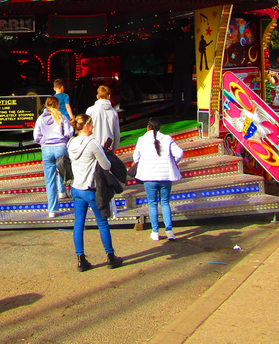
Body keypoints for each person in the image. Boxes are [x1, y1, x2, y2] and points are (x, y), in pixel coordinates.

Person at [67, 114, 122, 271]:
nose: (93, 127)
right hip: (91, 189)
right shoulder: (92, 144)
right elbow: (106, 165)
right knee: (102, 223)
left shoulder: (71, 143)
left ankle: (80, 259)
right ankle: (110, 257)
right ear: (86, 126)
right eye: (91, 124)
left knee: (78, 223)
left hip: (76, 188)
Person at [133, 117, 184, 241]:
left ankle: (155, 232)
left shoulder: (141, 140)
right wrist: (173, 162)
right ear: (160, 127)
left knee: (152, 204)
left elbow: (136, 158)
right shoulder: (167, 139)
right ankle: (169, 231)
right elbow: (179, 153)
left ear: (148, 127)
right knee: (165, 203)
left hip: (149, 177)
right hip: (166, 176)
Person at [34, 97, 73, 217]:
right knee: (63, 170)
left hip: (46, 149)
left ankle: (52, 210)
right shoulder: (62, 117)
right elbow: (69, 132)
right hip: (60, 146)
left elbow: (36, 136)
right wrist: (63, 139)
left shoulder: (40, 119)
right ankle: (62, 191)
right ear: (57, 105)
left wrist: (44, 142)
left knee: (49, 179)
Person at [86, 85, 121, 153]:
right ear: (109, 96)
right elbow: (116, 134)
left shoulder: (90, 110)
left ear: (97, 96)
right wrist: (113, 150)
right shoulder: (113, 112)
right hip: (108, 149)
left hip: (93, 148)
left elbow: (85, 129)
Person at [171, 20, 194, 116]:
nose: (184, 29)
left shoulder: (192, 35)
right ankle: (178, 109)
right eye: (182, 27)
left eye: (186, 27)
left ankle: (186, 109)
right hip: (178, 67)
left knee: (187, 89)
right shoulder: (177, 34)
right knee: (177, 90)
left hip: (186, 68)